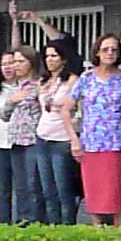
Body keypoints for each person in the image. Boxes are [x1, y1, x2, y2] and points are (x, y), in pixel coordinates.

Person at [65, 33, 121, 228]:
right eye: (105, 49)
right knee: (94, 190)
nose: (109, 53)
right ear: (97, 52)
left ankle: (119, 229)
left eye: (114, 50)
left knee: (116, 189)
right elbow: (66, 108)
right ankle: (97, 230)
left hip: (117, 141)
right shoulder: (86, 78)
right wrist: (74, 140)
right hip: (91, 142)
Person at [0, 45, 43, 224]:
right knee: (20, 186)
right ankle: (22, 221)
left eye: (21, 61)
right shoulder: (16, 87)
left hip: (33, 139)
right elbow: (5, 115)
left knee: (32, 185)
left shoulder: (38, 84)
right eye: (14, 61)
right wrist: (11, 101)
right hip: (15, 140)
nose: (16, 65)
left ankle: (34, 221)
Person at [35, 39, 81, 226]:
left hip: (62, 138)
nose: (50, 60)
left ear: (63, 59)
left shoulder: (72, 80)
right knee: (48, 190)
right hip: (42, 136)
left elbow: (77, 108)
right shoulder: (43, 81)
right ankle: (53, 228)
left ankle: (67, 228)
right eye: (47, 56)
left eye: (54, 56)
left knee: (64, 190)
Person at [0, 51, 19, 225]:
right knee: (1, 188)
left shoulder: (26, 86)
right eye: (4, 64)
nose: (7, 67)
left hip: (20, 142)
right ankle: (2, 225)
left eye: (11, 63)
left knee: (23, 188)